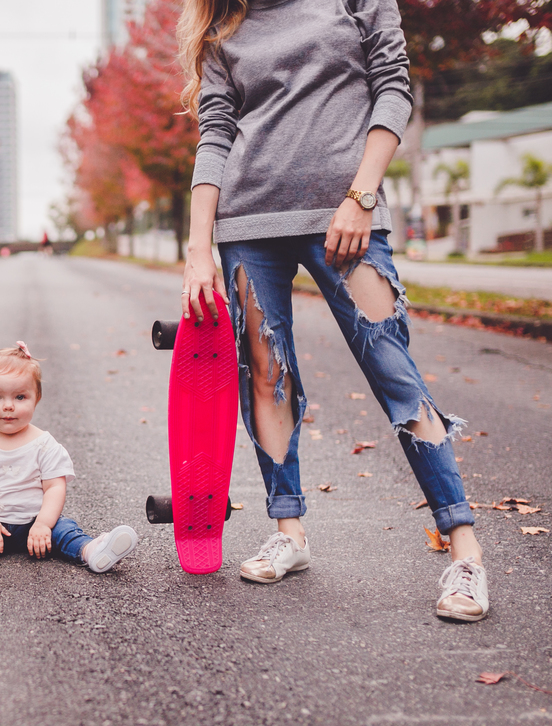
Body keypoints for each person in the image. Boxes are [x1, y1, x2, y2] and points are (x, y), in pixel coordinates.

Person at [178, 0, 487, 620]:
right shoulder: (223, 23)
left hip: (350, 217)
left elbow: (392, 89)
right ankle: (288, 531)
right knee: (267, 377)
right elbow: (216, 131)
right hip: (249, 222)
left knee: (394, 373)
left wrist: (360, 195)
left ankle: (465, 552)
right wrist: (197, 247)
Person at [0, 343, 139, 578]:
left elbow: (54, 488)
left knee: (66, 529)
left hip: (36, 527)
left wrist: (43, 524)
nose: (8, 405)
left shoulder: (45, 445)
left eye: (20, 397)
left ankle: (91, 550)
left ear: (36, 399)